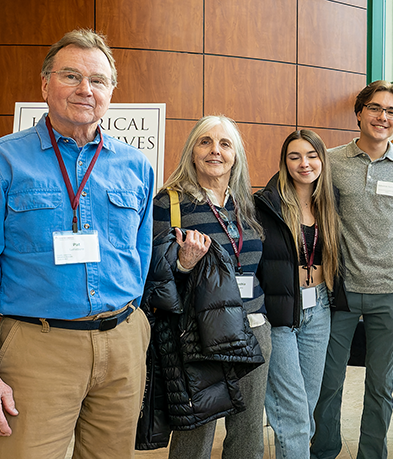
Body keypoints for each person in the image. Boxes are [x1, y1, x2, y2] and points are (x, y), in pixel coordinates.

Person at [0, 29, 154, 457]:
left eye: (98, 80)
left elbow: (141, 255)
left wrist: (135, 330)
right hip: (38, 349)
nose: (85, 89)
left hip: (123, 345)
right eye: (70, 75)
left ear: (112, 91)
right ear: (44, 85)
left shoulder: (136, 167)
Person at [311, 80, 393, 459]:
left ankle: (371, 454)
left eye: (391, 111)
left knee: (381, 384)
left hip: (389, 292)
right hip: (339, 290)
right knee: (329, 381)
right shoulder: (329, 161)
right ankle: (324, 450)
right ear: (359, 112)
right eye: (375, 108)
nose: (383, 117)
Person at [152, 115, 269, 459]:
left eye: (224, 143)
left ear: (236, 155)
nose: (214, 150)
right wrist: (182, 263)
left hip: (254, 328)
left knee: (248, 433)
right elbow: (152, 267)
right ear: (192, 151)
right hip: (200, 334)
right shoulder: (170, 202)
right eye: (205, 142)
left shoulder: (247, 204)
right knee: (196, 434)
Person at [256, 129, 340, 458]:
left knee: (307, 403)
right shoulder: (268, 203)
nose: (304, 163)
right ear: (284, 162)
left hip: (319, 308)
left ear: (322, 160)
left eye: (311, 155)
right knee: (292, 411)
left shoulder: (329, 201)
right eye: (295, 157)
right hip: (280, 312)